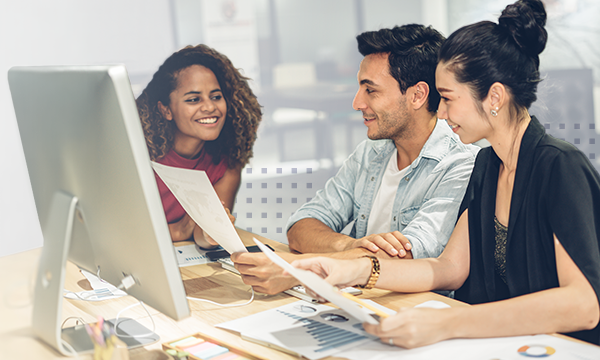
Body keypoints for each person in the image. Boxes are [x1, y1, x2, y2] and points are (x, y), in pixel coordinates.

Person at [293, 0, 600, 347]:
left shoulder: (560, 167)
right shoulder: (487, 166)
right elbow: (448, 268)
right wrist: (357, 270)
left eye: (448, 98)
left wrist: (450, 321)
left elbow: (584, 305)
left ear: (494, 96)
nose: (439, 113)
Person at [232, 24, 478, 294]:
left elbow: (407, 257)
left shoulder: (460, 163)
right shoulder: (371, 152)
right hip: (360, 300)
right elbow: (301, 225)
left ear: (417, 95)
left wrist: (299, 268)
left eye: (370, 90)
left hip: (415, 314)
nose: (356, 102)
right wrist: (348, 245)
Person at [136, 44, 261, 248]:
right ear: (166, 110)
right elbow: (117, 231)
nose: (210, 107)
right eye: (194, 99)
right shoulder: (138, 157)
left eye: (216, 97)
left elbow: (201, 236)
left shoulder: (226, 166)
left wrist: (211, 233)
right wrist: (177, 230)